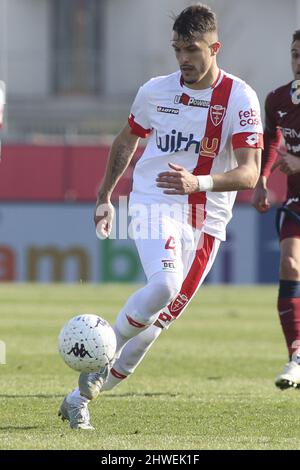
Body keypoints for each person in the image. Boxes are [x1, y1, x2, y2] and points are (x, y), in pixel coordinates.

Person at [59, 4, 263, 429]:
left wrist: (199, 184)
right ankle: (102, 346)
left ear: (214, 48)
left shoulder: (240, 97)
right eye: (177, 50)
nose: (184, 59)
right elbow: (126, 141)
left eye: (192, 49)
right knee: (165, 285)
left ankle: (80, 397)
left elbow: (249, 172)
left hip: (207, 221)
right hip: (153, 202)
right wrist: (104, 195)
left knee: (155, 327)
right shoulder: (155, 90)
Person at [252, 30, 300, 390]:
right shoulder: (278, 98)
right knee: (289, 262)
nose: (298, 62)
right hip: (296, 201)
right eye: (295, 54)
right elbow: (271, 140)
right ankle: (296, 355)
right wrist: (262, 178)